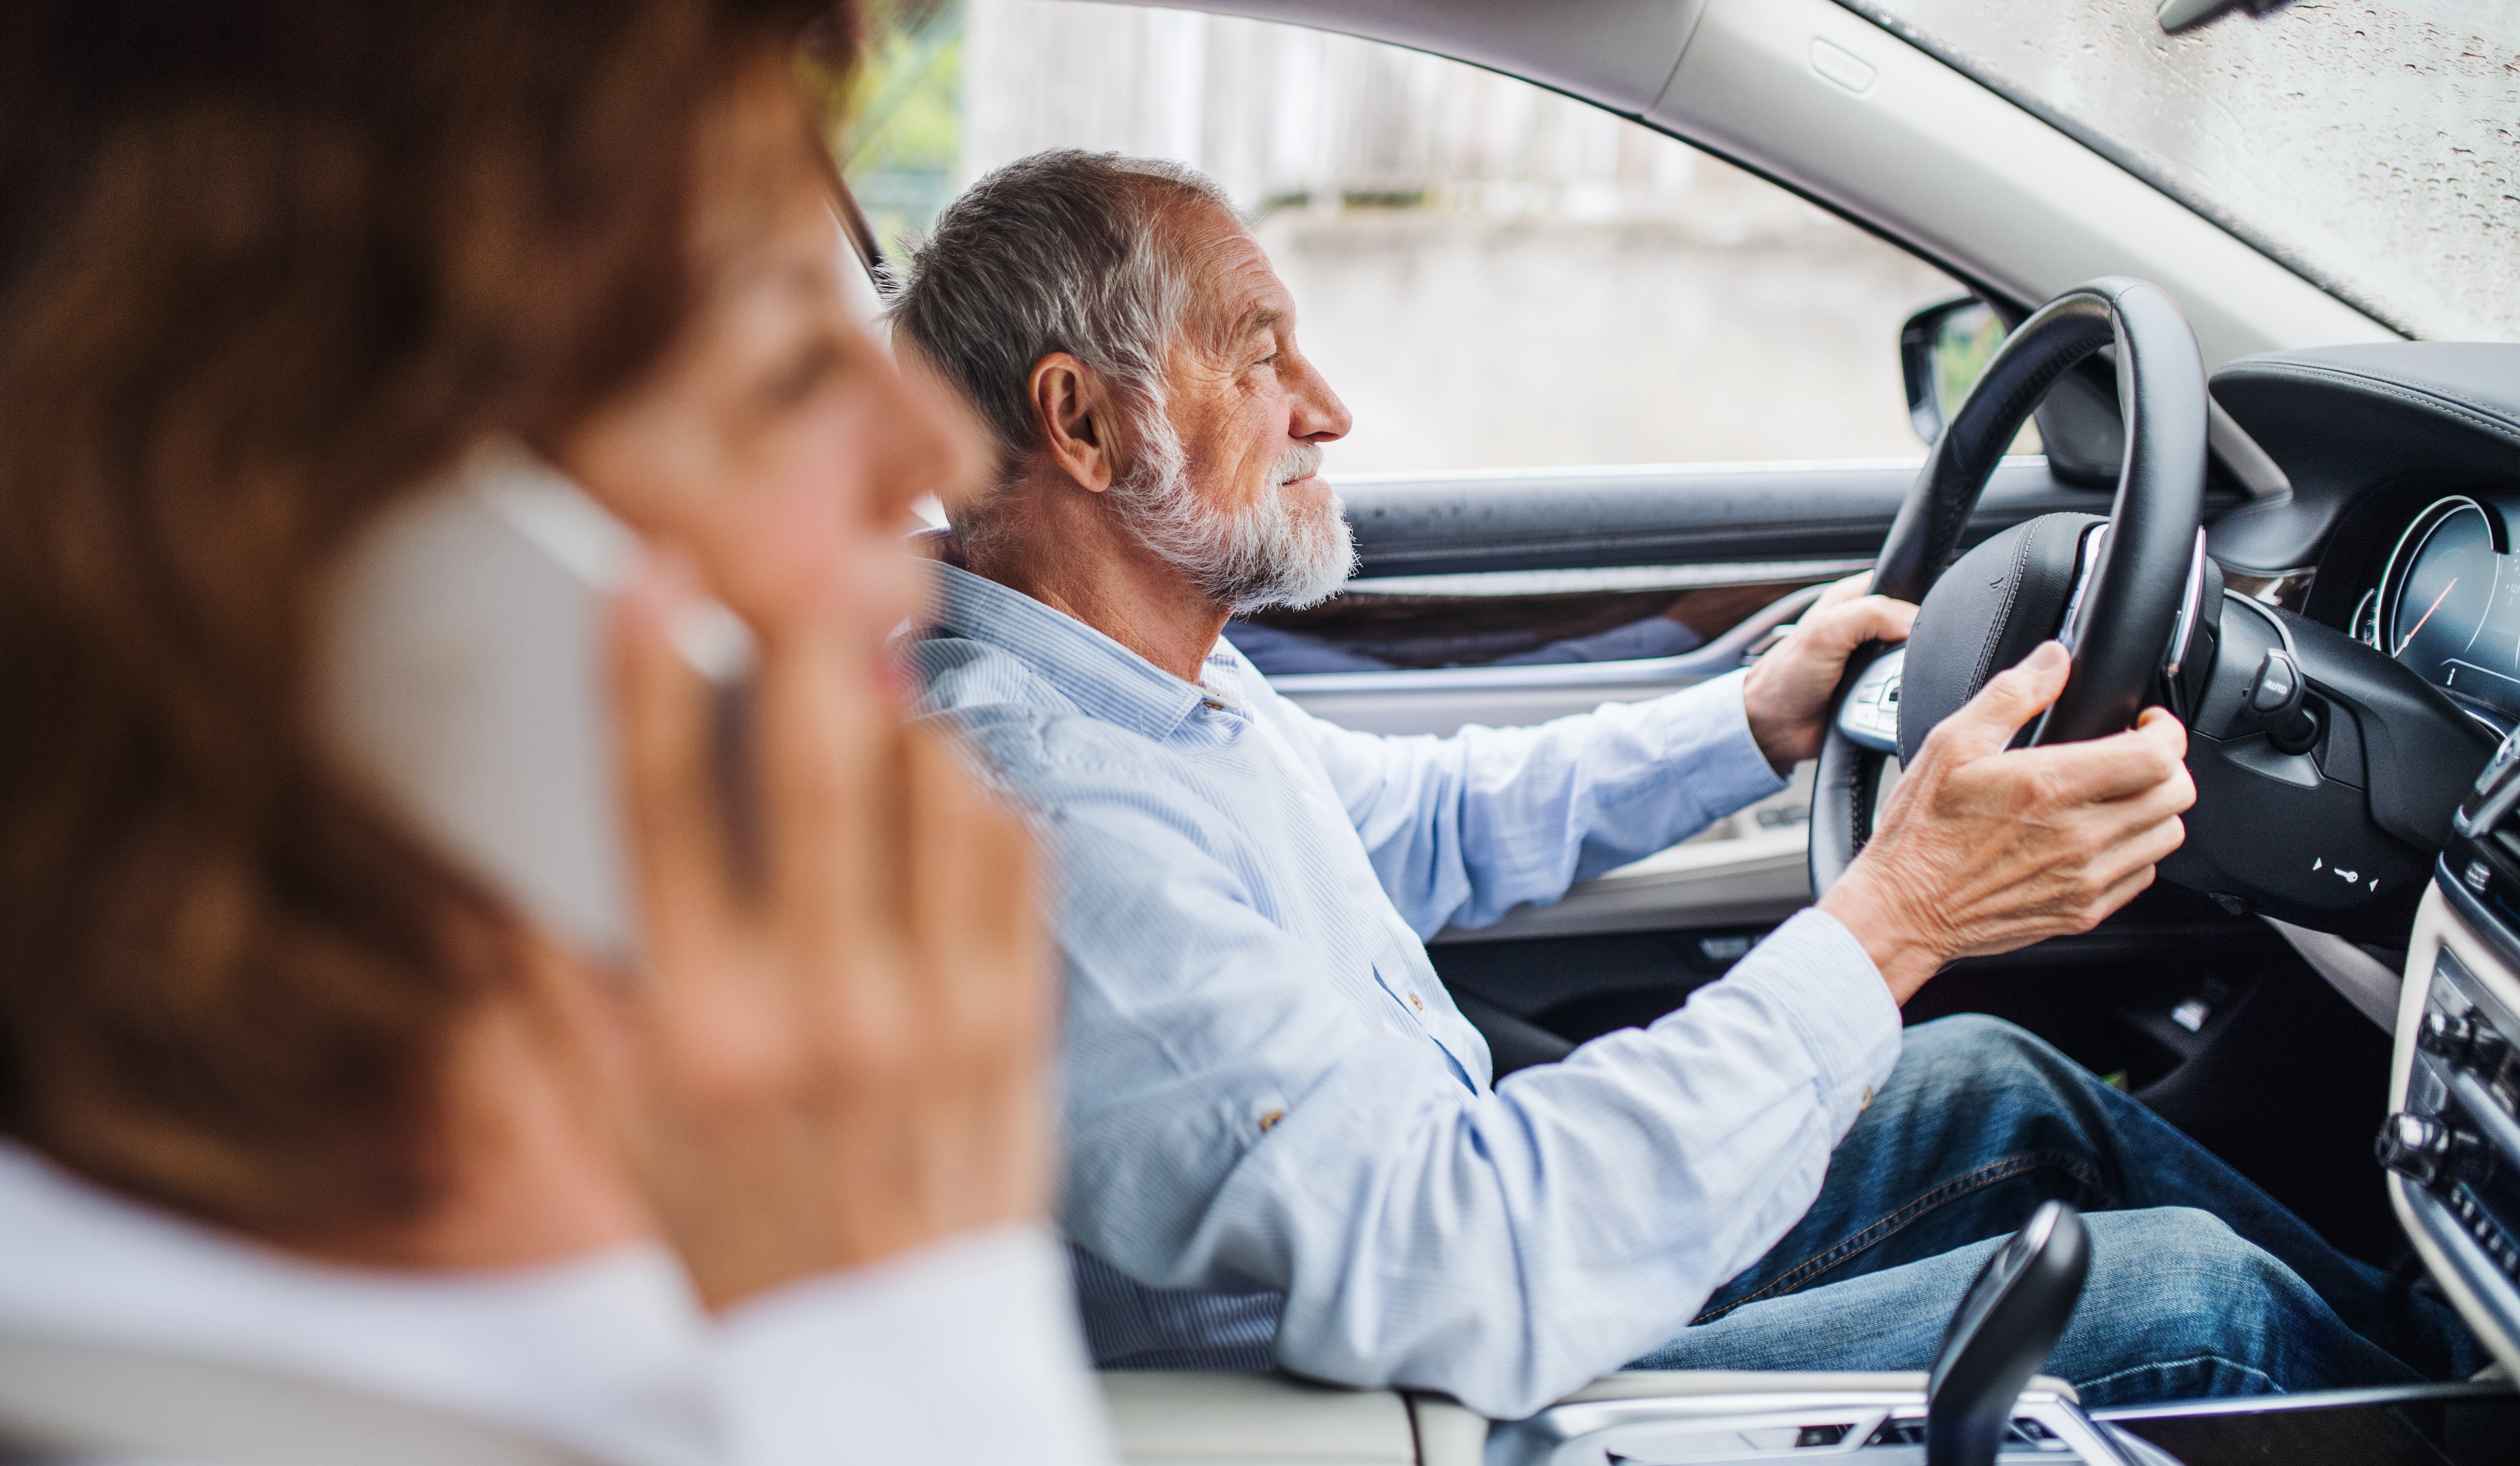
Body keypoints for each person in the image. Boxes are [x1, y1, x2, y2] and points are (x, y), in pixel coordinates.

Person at [888, 148, 2480, 1419]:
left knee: (1997, 1080)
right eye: (1257, 353)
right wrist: (1899, 912)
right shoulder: (1039, 828)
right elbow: (1470, 1262)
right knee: (2191, 1308)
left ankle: (2433, 1358)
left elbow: (1418, 830)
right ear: (1085, 424)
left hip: (1477, 1248)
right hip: (1465, 1387)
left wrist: (1752, 721)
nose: (1328, 407)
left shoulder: (1143, 684)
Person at [0, 0, 1112, 1464]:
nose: (936, 456)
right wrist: (906, 1354)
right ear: (344, 550)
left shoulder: (656, 1070)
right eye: (783, 372)